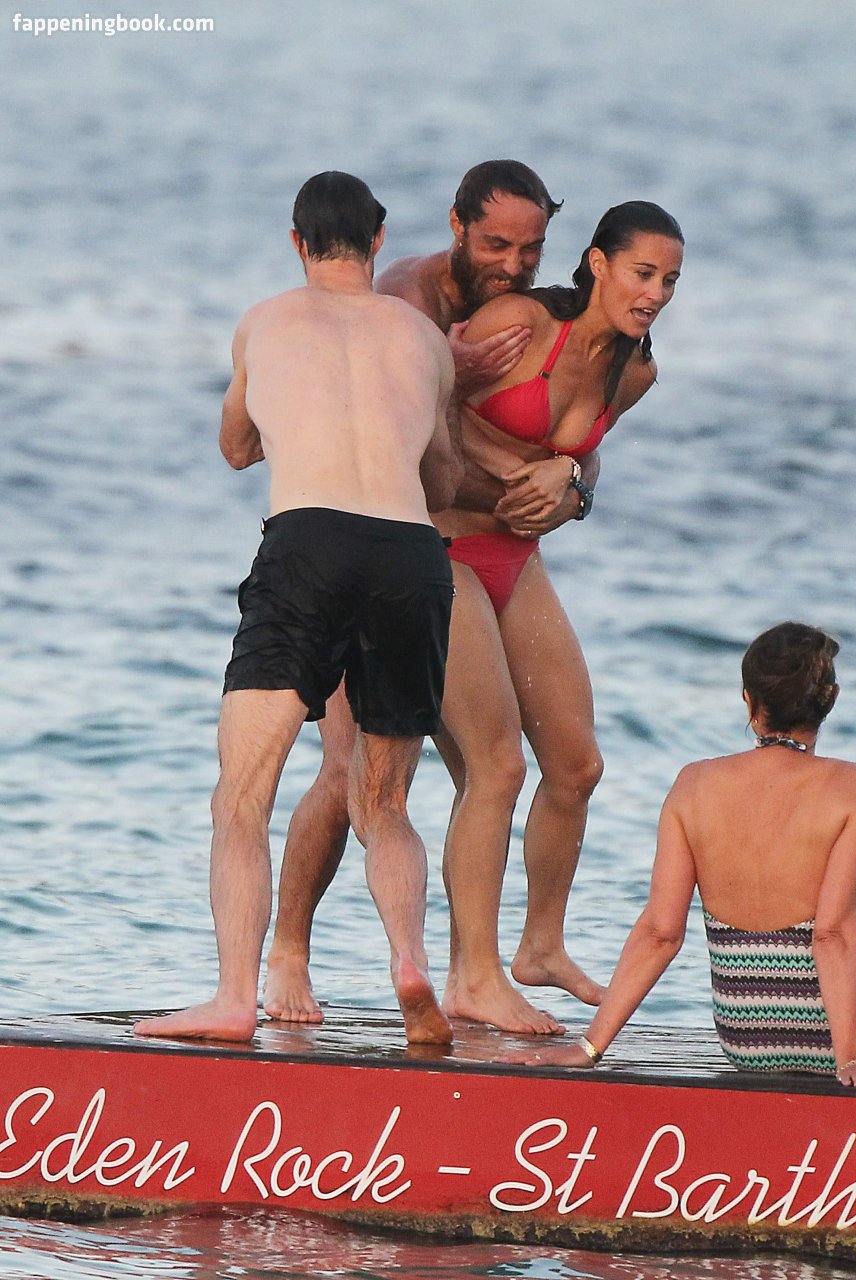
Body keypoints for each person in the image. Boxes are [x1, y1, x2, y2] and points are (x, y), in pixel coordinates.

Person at [261, 161, 593, 1026]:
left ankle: (504, 959)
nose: (513, 265)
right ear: (455, 225)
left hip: (502, 554)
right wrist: (450, 378)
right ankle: (288, 952)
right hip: (391, 551)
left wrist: (572, 484)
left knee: (555, 764)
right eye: (495, 244)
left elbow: (573, 440)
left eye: (530, 248)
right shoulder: (407, 298)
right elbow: (396, 440)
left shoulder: (534, 315)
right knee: (349, 774)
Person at [134, 171, 461, 1045]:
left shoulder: (266, 320)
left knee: (241, 798)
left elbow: (235, 446)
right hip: (410, 553)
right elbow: (444, 479)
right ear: (378, 240)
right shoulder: (422, 337)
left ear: (297, 242)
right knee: (385, 804)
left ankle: (233, 1000)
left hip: (308, 542)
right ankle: (409, 963)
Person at [426, 200, 685, 1035]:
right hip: (439, 549)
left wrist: (574, 482)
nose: (655, 294)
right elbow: (424, 418)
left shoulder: (634, 373)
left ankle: (540, 946)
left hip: (517, 559)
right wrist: (528, 475)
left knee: (576, 767)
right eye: (643, 273)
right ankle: (471, 976)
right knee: (496, 768)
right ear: (597, 263)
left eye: (670, 281)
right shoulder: (519, 323)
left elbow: (583, 459)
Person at [519, 622, 856, 1086]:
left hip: (747, 1041)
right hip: (850, 1039)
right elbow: (832, 934)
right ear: (830, 699)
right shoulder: (855, 785)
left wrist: (590, 1046)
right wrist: (852, 1060)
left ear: (749, 701)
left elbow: (660, 933)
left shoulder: (693, 784)